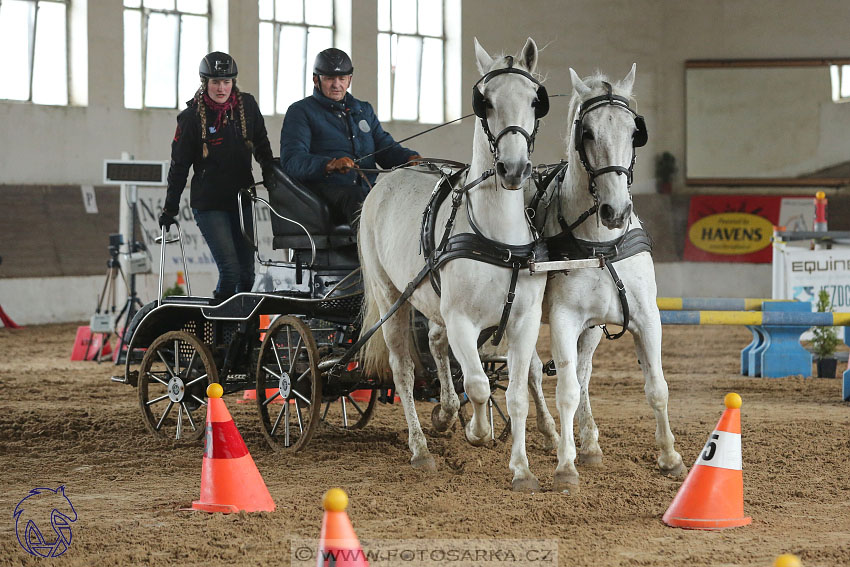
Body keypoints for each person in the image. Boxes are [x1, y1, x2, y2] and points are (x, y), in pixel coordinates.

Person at [160, 51, 275, 300]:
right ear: (205, 83)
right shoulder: (191, 118)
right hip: (210, 205)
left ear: (233, 83)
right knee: (231, 272)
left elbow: (263, 148)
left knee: (247, 274)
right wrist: (170, 209)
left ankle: (242, 332)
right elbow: (179, 166)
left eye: (226, 82)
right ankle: (220, 325)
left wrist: (274, 179)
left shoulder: (248, 106)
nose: (221, 88)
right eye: (215, 82)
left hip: (242, 199)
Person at [279, 47, 420, 226]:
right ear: (316, 80)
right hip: (324, 193)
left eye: (342, 78)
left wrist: (408, 158)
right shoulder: (300, 111)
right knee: (358, 199)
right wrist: (329, 165)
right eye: (330, 78)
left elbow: (384, 147)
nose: (336, 84)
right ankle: (367, 253)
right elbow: (292, 160)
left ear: (349, 80)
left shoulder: (363, 109)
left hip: (364, 191)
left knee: (398, 197)